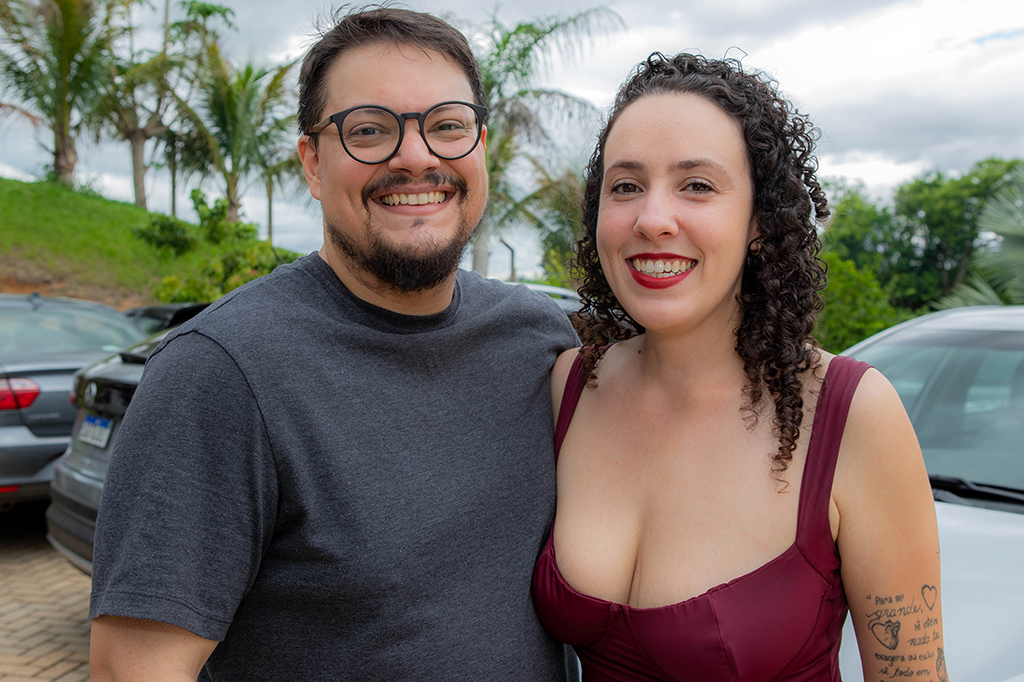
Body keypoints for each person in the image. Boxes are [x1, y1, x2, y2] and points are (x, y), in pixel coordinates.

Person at [88, 8, 578, 681]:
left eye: (447, 126)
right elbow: (134, 671)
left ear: (480, 146)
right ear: (313, 163)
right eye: (369, 130)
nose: (417, 156)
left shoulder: (539, 339)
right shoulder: (221, 371)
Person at [530, 53, 948, 681]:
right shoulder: (570, 384)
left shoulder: (849, 413)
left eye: (697, 185)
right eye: (626, 186)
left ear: (760, 221)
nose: (652, 219)